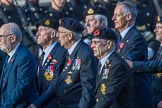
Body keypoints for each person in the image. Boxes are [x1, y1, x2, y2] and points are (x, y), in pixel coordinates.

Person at [112, 1, 152, 108]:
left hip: (134, 97)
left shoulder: (135, 38)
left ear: (128, 17)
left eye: (117, 15)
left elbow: (123, 64)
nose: (113, 19)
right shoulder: (121, 37)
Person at [56, 18, 97, 108]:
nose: (57, 36)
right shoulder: (68, 51)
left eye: (60, 32)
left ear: (70, 35)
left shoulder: (85, 53)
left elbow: (88, 88)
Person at [28, 18, 67, 108]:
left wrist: (37, 103)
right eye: (37, 31)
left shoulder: (61, 53)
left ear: (53, 34)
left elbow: (55, 84)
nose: (37, 34)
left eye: (41, 30)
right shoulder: (43, 54)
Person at [91, 27, 133, 108]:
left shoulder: (117, 65)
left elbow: (108, 96)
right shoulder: (104, 62)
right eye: (92, 42)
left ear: (109, 44)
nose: (92, 46)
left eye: (96, 43)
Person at [126, 16, 162, 108]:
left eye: (159, 27)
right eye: (156, 27)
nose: (155, 30)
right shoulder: (158, 47)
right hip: (154, 98)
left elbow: (159, 66)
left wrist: (133, 65)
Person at [0, 23, 38, 107]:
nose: (0, 40)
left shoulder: (24, 57)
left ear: (13, 38)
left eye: (1, 36)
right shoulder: (10, 54)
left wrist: (6, 106)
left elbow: (21, 88)